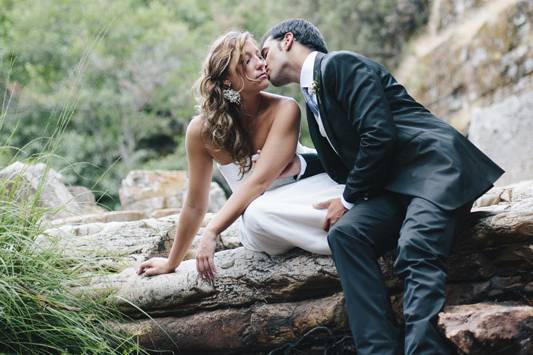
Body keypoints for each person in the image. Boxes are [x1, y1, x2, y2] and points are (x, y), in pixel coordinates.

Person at [261, 19, 504, 355]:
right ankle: (377, 349)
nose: (261, 62)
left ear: (287, 40)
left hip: (435, 168)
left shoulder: (339, 64)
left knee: (416, 245)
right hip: (396, 185)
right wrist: (295, 165)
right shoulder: (311, 100)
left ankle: (424, 349)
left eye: (264, 52)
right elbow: (340, 160)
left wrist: (346, 200)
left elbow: (378, 135)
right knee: (345, 236)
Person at [137, 31, 342, 280]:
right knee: (257, 215)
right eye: (246, 60)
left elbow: (260, 181)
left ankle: (350, 231)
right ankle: (338, 233)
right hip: (267, 214)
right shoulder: (201, 132)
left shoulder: (286, 109)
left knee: (341, 194)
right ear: (227, 80)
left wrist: (212, 232)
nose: (260, 63)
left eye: (259, 55)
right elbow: (194, 204)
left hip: (306, 192)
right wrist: (172, 261)